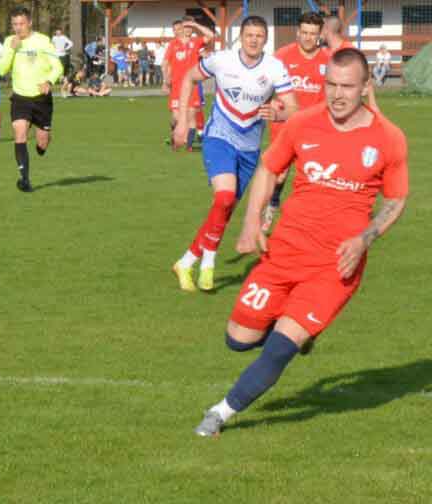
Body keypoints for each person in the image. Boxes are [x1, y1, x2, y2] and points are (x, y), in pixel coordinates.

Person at [193, 48, 409, 437]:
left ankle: (220, 413)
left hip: (334, 266)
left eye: (347, 86)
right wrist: (252, 221)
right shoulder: (303, 123)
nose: (337, 95)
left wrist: (364, 239)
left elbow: (395, 202)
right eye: (331, 85)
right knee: (238, 340)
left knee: (280, 347)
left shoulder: (388, 138)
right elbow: (268, 168)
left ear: (366, 87)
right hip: (283, 253)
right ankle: (292, 331)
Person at [171, 16, 298, 292]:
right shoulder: (222, 60)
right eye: (249, 35)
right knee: (225, 197)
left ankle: (186, 260)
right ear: (241, 37)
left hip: (250, 147)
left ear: (266, 40)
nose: (254, 40)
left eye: (259, 36)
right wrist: (182, 120)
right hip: (219, 137)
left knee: (224, 209)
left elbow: (293, 108)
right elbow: (189, 78)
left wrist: (277, 112)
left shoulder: (274, 67)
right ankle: (208, 263)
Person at [263, 12, 331, 233]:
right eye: (304, 32)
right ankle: (270, 206)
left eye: (313, 33)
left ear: (320, 34)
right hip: (283, 125)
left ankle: (310, 221)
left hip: (315, 127)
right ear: (297, 32)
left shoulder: (329, 60)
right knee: (279, 174)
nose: (308, 37)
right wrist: (269, 103)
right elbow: (264, 84)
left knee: (315, 174)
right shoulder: (281, 56)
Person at [0, 7, 63, 193]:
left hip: (41, 99)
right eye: (14, 24)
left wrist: (49, 81)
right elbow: (1, 70)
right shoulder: (10, 41)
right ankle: (24, 179)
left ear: (30, 23)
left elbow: (57, 67)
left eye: (21, 24)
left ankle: (43, 144)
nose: (18, 28)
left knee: (41, 141)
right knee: (20, 135)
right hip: (20, 97)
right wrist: (11, 50)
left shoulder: (42, 41)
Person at [164, 17, 215, 151]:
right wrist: (166, 81)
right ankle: (175, 135)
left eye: (188, 27)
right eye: (183, 28)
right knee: (176, 116)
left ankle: (188, 145)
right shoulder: (173, 44)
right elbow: (167, 63)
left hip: (192, 86)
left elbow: (210, 35)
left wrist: (195, 24)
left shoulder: (195, 42)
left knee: (191, 115)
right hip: (176, 86)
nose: (186, 30)